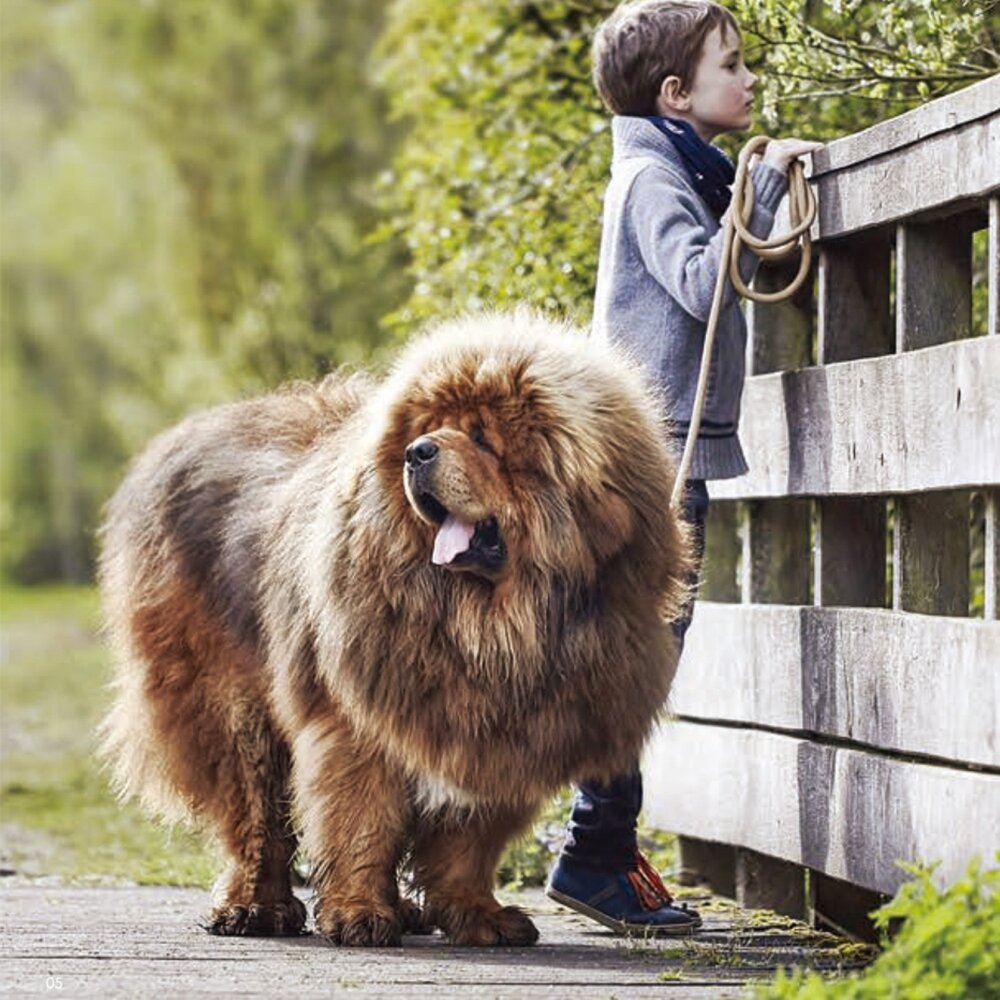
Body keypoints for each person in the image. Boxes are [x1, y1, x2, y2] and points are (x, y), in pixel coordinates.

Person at [545, 0, 822, 935]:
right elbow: (704, 283)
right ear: (676, 93)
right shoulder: (656, 180)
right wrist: (768, 189)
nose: (748, 80)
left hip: (664, 449)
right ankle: (594, 854)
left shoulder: (672, 167)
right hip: (652, 465)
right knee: (640, 660)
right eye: (731, 66)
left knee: (640, 656)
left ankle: (595, 848)